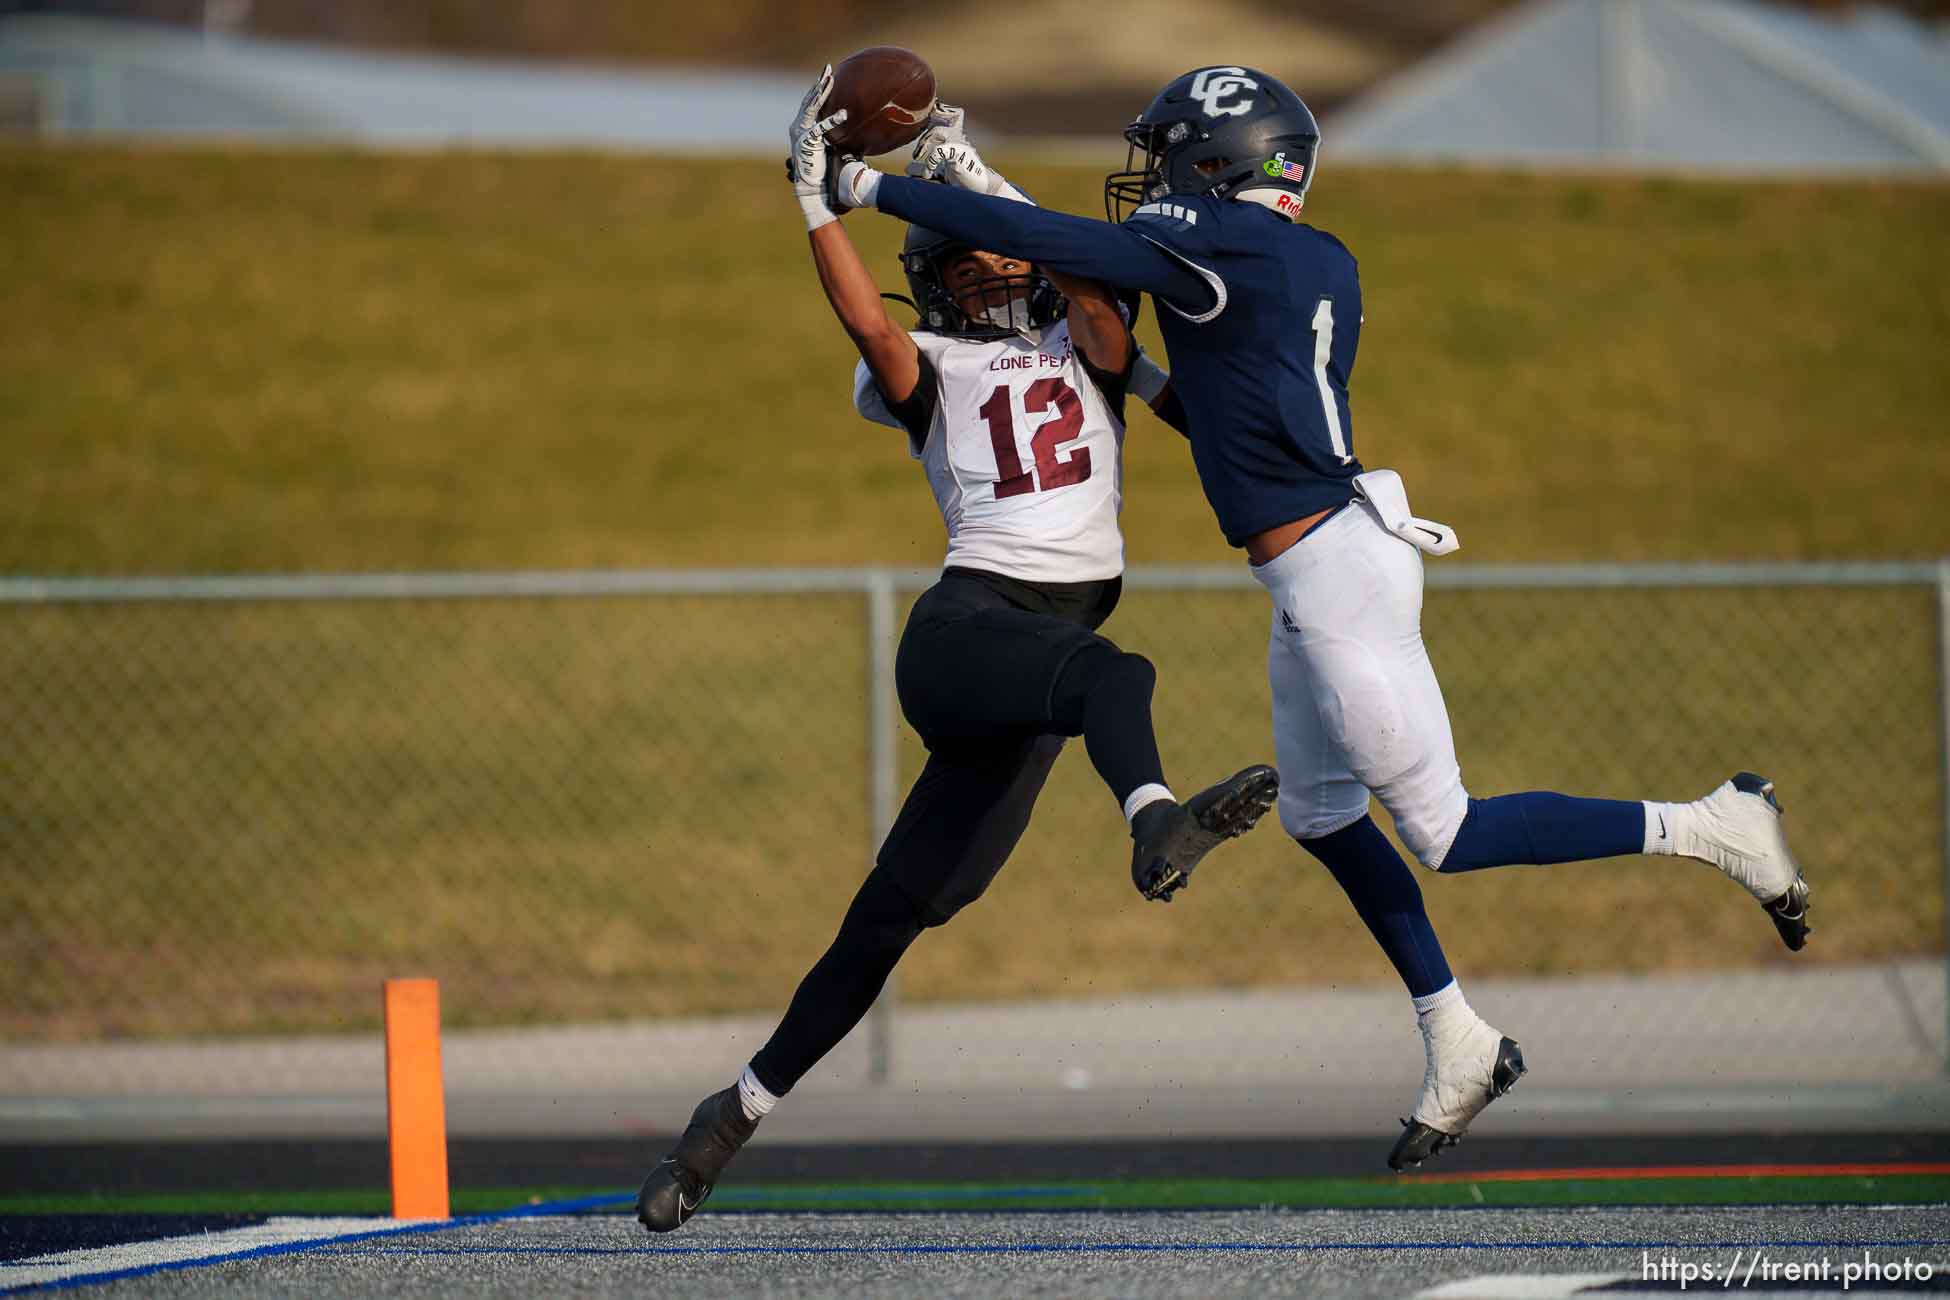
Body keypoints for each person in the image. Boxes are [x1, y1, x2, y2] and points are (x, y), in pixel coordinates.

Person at [824, 65, 1813, 1171]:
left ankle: (1714, 825)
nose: (1149, 180)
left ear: (1219, 163)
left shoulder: (1230, 255)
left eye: (1168, 159)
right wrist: (981, 185)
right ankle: (1458, 1038)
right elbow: (1195, 392)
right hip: (1320, 568)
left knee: (1448, 832)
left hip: (1338, 579)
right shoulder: (1286, 259)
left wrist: (869, 187)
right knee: (1322, 817)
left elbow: (1075, 249)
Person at [635, 72, 1280, 1234]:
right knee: (1117, 676)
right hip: (970, 629)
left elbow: (1075, 260)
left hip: (1031, 674)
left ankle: (726, 1117)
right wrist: (813, 203)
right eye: (965, 265)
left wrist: (972, 177)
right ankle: (1155, 824)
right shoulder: (928, 371)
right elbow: (867, 325)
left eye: (999, 261)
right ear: (933, 282)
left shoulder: (1092, 345)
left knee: (902, 913)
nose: (989, 274)